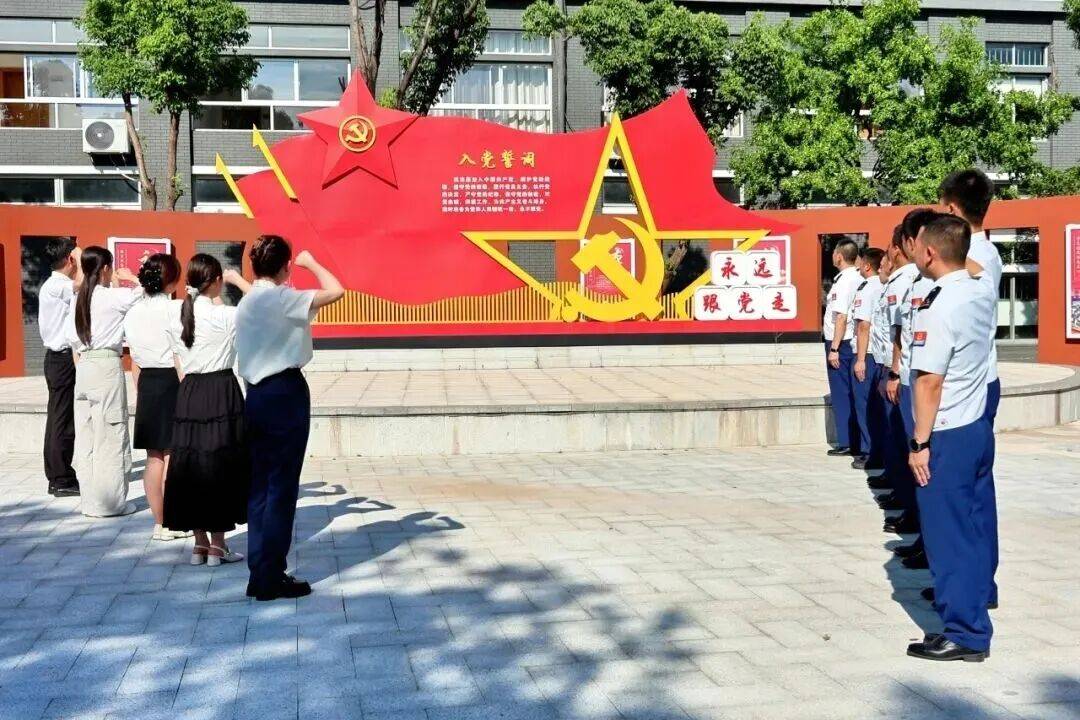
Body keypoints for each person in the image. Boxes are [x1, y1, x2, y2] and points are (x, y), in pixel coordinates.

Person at [904, 214, 996, 662]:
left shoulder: (939, 305)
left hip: (946, 433)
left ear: (929, 253)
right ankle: (974, 611)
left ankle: (965, 632)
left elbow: (929, 382)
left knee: (949, 536)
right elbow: (971, 267)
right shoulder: (980, 290)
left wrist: (919, 444)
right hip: (975, 426)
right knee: (973, 529)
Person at [236, 236, 344, 601]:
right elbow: (337, 290)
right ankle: (271, 575)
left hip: (255, 394)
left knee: (260, 487)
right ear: (285, 265)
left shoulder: (249, 300)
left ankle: (259, 572)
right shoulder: (284, 299)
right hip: (284, 392)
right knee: (281, 487)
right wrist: (310, 262)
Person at [938, 168, 1001, 610]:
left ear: (954, 209)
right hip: (972, 380)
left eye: (943, 209)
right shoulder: (981, 251)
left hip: (970, 385)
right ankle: (973, 584)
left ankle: (974, 589)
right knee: (971, 493)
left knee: (966, 496)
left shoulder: (976, 255)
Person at [164, 254, 252, 567]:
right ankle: (218, 546)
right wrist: (237, 280)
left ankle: (199, 545)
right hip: (220, 390)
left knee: (191, 466)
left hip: (189, 391)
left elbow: (178, 361)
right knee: (219, 465)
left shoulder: (178, 315)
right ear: (215, 280)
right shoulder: (226, 315)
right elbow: (260, 302)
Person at [66, 247, 141, 517]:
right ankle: (110, 504)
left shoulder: (78, 298)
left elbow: (71, 340)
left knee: (86, 435)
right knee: (110, 434)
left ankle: (89, 500)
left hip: (84, 366)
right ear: (106, 268)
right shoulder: (111, 296)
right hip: (106, 365)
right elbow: (145, 292)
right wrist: (131, 277)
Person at [124, 254, 191, 542]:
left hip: (147, 381)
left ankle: (159, 523)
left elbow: (133, 358)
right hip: (172, 380)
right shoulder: (176, 308)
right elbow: (182, 353)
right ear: (172, 280)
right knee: (172, 455)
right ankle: (174, 522)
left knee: (154, 457)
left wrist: (140, 389)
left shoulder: (133, 311)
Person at [881, 209, 936, 539]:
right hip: (908, 377)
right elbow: (901, 332)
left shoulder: (932, 284)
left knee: (922, 461)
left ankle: (921, 528)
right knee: (908, 451)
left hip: (923, 384)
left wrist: (894, 372)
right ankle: (917, 525)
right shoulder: (914, 281)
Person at [38, 238, 81, 497]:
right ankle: (60, 478)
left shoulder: (54, 285)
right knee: (62, 420)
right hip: (61, 359)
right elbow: (82, 284)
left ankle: (57, 475)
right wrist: (80, 256)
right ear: (69, 259)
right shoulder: (58, 285)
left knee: (59, 417)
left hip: (58, 359)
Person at [822, 239, 863, 457]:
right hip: (850, 341)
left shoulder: (844, 281)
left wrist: (834, 348)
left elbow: (841, 317)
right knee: (852, 392)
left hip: (841, 343)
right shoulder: (858, 278)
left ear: (839, 256)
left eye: (834, 253)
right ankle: (854, 440)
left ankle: (847, 441)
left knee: (841, 393)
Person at [850, 247, 886, 470]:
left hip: (867, 354)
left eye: (860, 262)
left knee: (865, 405)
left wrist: (860, 359)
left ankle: (869, 452)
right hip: (877, 353)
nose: (857, 267)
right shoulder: (882, 285)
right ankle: (877, 450)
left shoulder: (867, 289)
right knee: (876, 406)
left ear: (867, 265)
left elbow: (863, 325)